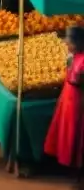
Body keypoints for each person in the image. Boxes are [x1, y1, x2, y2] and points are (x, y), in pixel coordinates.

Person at [44, 25, 84, 172]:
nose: (66, 44)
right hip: (68, 99)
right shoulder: (73, 57)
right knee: (65, 131)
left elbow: (77, 81)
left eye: (70, 42)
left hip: (78, 102)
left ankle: (76, 166)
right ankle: (65, 162)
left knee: (75, 132)